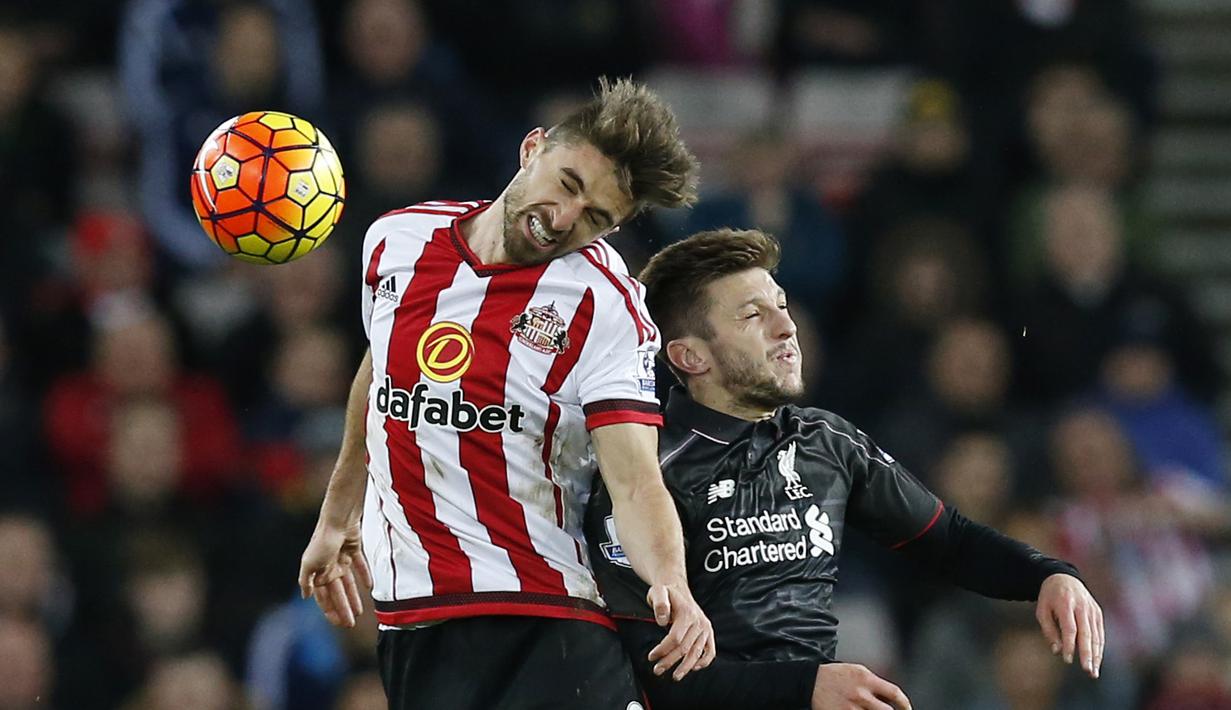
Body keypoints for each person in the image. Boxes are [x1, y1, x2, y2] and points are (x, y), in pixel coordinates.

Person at [297, 78, 715, 708]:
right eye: (569, 184)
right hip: (414, 623)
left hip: (544, 621)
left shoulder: (603, 305)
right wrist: (338, 513)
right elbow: (381, 365)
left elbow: (634, 478)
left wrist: (670, 581)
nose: (564, 219)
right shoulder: (395, 241)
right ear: (532, 150)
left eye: (598, 219)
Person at [585, 228, 1105, 709]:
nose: (787, 327)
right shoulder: (643, 476)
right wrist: (808, 687)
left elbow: (947, 539)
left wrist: (1047, 575)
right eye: (752, 316)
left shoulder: (826, 441)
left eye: (782, 306)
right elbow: (655, 677)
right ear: (691, 357)